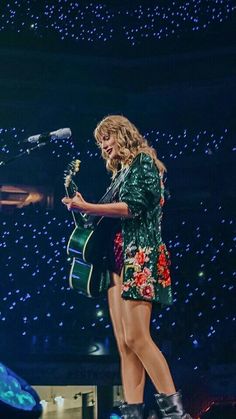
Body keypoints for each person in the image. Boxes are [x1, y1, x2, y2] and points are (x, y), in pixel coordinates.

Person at [62, 115, 192, 419]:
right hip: (116, 262)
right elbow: (105, 219)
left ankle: (176, 413)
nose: (104, 146)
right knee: (124, 343)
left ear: (123, 135)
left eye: (107, 138)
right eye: (100, 142)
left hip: (140, 257)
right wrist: (82, 208)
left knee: (137, 337)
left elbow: (132, 208)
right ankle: (134, 411)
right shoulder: (119, 175)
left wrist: (88, 206)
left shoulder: (143, 163)